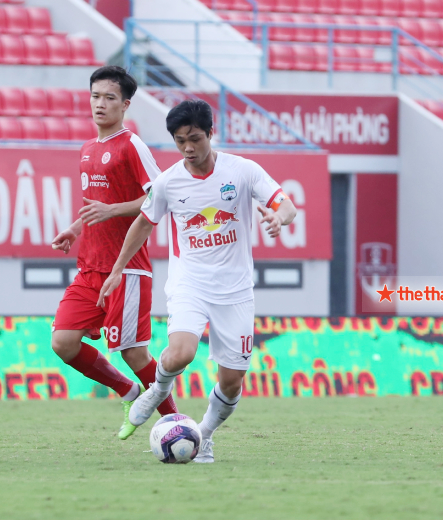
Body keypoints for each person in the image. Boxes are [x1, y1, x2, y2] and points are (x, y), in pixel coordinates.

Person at [98, 99, 297, 462]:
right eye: (179, 141)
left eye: (195, 139)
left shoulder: (242, 170)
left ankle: (203, 434)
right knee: (181, 354)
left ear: (210, 133)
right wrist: (115, 271)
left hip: (235, 290)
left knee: (233, 381)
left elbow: (286, 204)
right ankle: (158, 389)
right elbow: (143, 223)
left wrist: (278, 219)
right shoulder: (169, 182)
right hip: (190, 283)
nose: (188, 148)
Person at [50, 65, 178, 440]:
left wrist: (113, 210)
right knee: (63, 342)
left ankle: (175, 423)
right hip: (90, 268)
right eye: (95, 96)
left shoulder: (131, 144)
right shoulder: (87, 149)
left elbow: (159, 196)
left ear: (125, 105)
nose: (100, 104)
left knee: (135, 353)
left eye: (109, 98)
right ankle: (127, 390)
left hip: (128, 269)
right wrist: (76, 229)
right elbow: (98, 205)